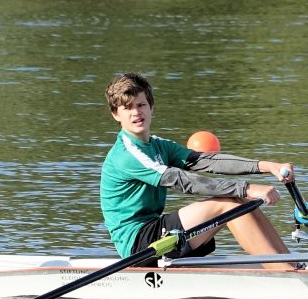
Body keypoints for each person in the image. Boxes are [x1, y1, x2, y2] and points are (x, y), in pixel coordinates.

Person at [99, 72, 294, 269]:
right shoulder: (127, 154)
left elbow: (208, 161)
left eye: (141, 105)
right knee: (229, 205)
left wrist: (268, 166)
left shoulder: (159, 145)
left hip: (156, 230)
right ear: (116, 114)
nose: (136, 112)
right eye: (128, 108)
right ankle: (283, 272)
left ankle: (288, 265)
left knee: (241, 201)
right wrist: (247, 188)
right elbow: (182, 181)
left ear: (151, 107)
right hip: (138, 244)